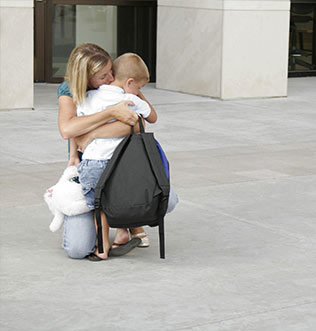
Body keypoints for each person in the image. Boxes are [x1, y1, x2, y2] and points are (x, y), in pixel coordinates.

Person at [58, 43, 178, 259]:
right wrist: (111, 112)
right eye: (103, 76)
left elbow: (138, 123)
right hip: (101, 166)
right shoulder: (72, 92)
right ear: (86, 77)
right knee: (77, 249)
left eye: (111, 71)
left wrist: (92, 133)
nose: (111, 78)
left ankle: (124, 227)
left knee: (164, 199)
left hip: (114, 166)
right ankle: (125, 224)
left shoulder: (121, 86)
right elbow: (68, 129)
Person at [76, 53, 158, 260]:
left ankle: (102, 248)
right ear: (130, 82)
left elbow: (79, 123)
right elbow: (153, 118)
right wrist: (137, 95)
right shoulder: (128, 98)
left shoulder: (88, 96)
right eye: (139, 86)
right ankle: (125, 230)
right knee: (118, 199)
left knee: (98, 207)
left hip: (93, 163)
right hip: (121, 165)